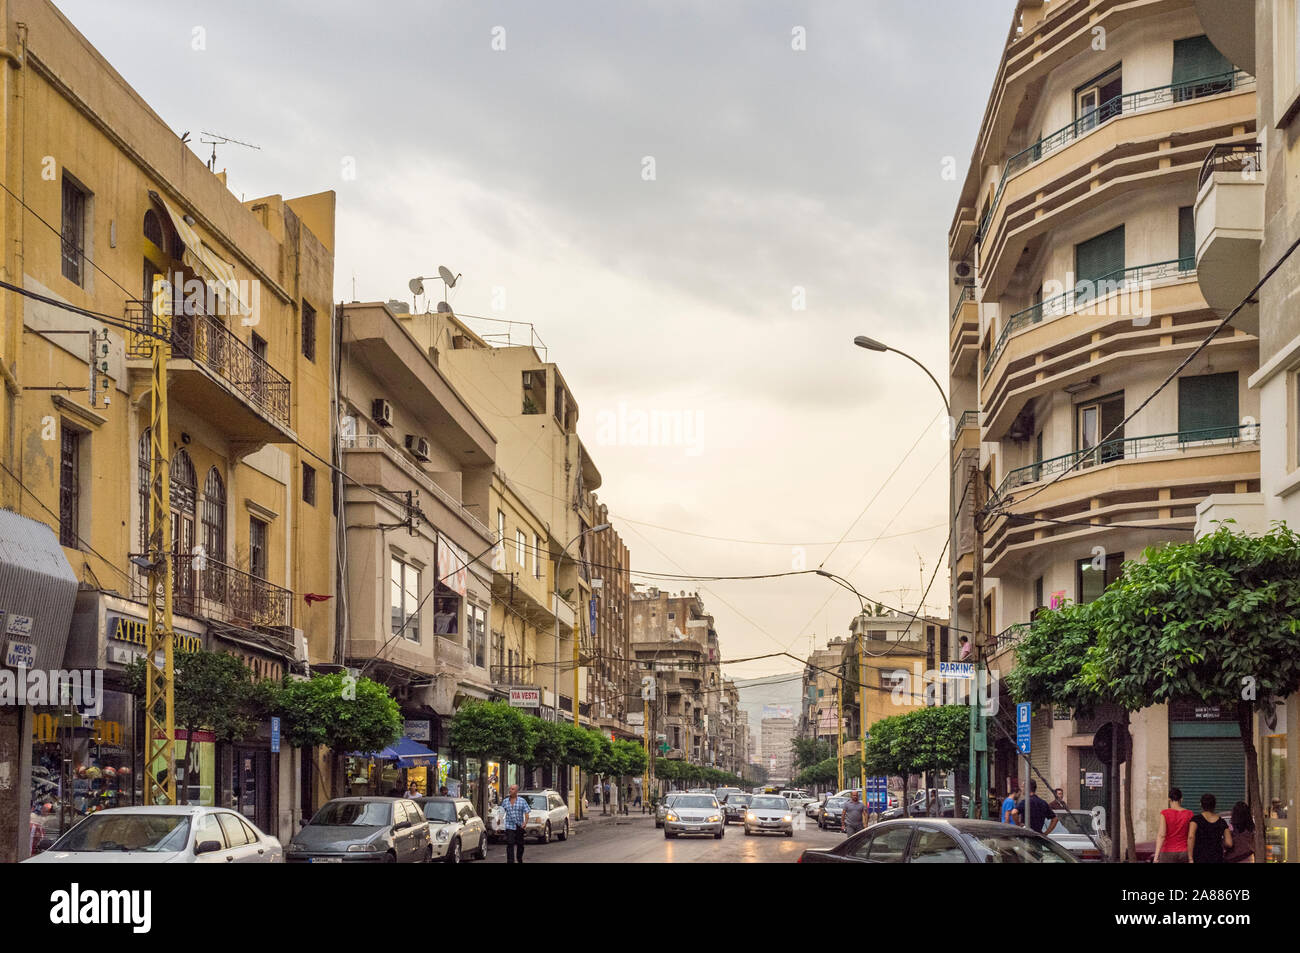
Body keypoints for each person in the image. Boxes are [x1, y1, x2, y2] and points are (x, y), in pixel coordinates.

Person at [1188, 793, 1231, 864]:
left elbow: (1191, 837)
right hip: (1217, 857)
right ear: (1214, 805)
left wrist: (1190, 858)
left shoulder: (1196, 820)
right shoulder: (1222, 822)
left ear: (1201, 805)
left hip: (1199, 857)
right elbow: (1229, 843)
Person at [1154, 788, 1193, 863]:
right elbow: (1190, 836)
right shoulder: (1189, 814)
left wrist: (1156, 856)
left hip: (1167, 852)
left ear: (1169, 799)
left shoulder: (1165, 813)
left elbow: (1161, 835)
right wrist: (1190, 857)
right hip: (1184, 851)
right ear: (1181, 799)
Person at [500, 784, 530, 864]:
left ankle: (519, 858)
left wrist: (525, 822)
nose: (510, 790)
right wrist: (499, 825)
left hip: (519, 826)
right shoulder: (505, 801)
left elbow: (527, 813)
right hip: (509, 826)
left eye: (512, 789)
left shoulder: (522, 801)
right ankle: (510, 861)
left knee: (520, 845)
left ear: (516, 791)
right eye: (510, 789)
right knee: (510, 843)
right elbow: (501, 814)